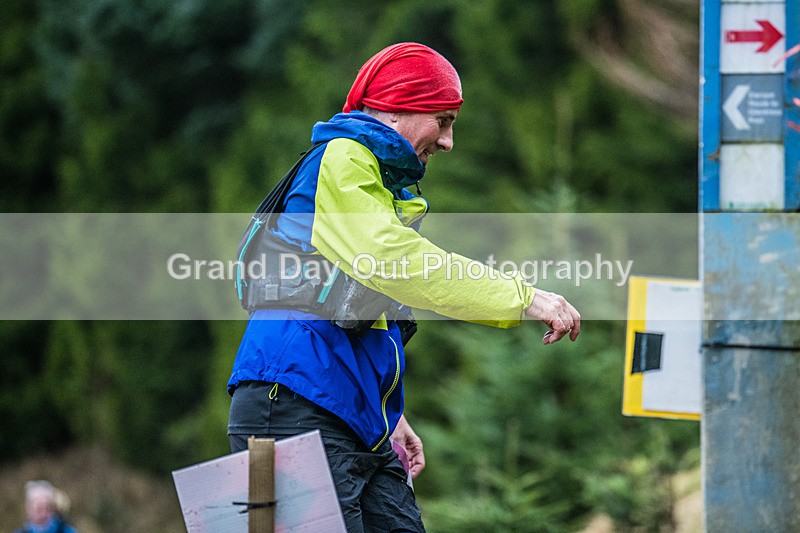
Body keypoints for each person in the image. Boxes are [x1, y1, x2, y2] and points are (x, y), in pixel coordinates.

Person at [227, 42, 581, 532]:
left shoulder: (375, 182)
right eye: (443, 120)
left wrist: (390, 414)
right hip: (289, 402)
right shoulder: (344, 157)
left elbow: (357, 311)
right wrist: (524, 298)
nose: (449, 141)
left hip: (349, 415)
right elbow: (394, 261)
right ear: (396, 108)